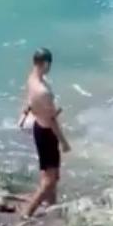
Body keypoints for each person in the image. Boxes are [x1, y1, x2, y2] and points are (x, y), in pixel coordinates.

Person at [21, 48, 71, 217]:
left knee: (50, 175)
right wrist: (64, 141)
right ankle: (28, 212)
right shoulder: (44, 91)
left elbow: (30, 101)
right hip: (47, 132)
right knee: (50, 180)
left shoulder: (32, 79)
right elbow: (52, 121)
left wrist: (26, 112)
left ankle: (52, 207)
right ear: (45, 64)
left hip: (38, 128)